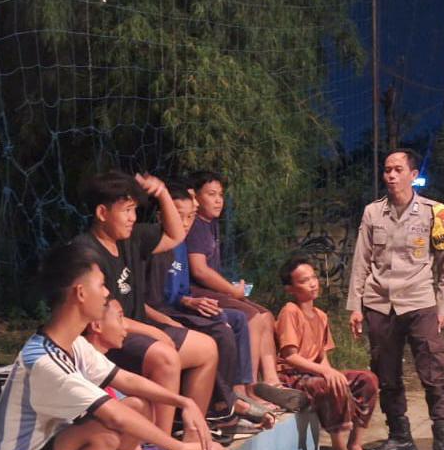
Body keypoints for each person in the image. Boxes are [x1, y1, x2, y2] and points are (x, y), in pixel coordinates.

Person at [0, 243, 259, 450]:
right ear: (80, 293)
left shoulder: (73, 345)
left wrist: (185, 402)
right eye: (101, 285)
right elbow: (115, 417)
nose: (107, 292)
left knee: (137, 406)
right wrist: (177, 448)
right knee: (107, 431)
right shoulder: (44, 362)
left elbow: (128, 381)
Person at [70, 171, 220, 436]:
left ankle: (192, 436)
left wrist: (162, 193)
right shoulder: (86, 253)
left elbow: (175, 236)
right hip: (106, 338)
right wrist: (155, 332)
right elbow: (102, 317)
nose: (133, 218)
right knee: (165, 357)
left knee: (207, 348)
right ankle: (159, 442)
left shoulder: (132, 238)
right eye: (126, 211)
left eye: (135, 210)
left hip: (135, 329)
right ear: (102, 213)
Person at [344, 148, 444, 450]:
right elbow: (361, 260)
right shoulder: (373, 212)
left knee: (433, 373)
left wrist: (443, 306)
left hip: (420, 302)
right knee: (386, 373)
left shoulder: (434, 212)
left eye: (397, 169)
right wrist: (355, 306)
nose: (391, 175)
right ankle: (400, 436)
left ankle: (442, 445)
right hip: (380, 303)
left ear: (413, 174)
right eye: (387, 170)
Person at [145, 181, 269, 435]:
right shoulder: (153, 247)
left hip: (177, 307)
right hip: (162, 314)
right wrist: (178, 313)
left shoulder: (181, 245)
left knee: (235, 319)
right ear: (161, 215)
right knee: (220, 329)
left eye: (190, 217)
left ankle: (235, 392)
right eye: (179, 216)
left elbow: (179, 293)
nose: (185, 223)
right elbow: (150, 300)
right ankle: (221, 407)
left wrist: (189, 301)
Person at [184, 171, 296, 411]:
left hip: (212, 290)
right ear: (195, 197)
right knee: (251, 317)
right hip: (196, 292)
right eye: (211, 194)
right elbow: (199, 270)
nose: (218, 200)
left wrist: (232, 288)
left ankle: (271, 382)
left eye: (221, 195)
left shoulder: (211, 224)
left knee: (265, 315)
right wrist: (232, 291)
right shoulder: (194, 226)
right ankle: (245, 388)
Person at [276, 257, 385, 450]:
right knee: (327, 383)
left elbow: (322, 356)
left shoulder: (321, 316)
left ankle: (355, 447)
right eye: (304, 281)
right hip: (292, 375)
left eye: (313, 278)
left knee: (367, 379)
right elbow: (290, 357)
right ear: (290, 288)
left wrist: (331, 372)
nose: (312, 284)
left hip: (314, 372)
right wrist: (326, 373)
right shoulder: (290, 311)